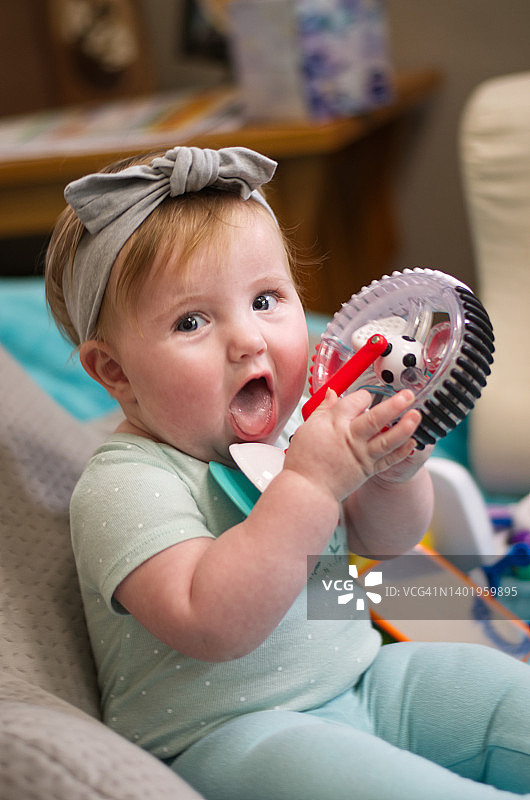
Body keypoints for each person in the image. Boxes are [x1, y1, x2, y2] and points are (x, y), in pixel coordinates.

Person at [45, 145, 530, 800]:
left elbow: (377, 546)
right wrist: (309, 486)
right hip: (232, 737)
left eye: (267, 299)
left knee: (500, 694)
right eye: (192, 321)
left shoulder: (297, 431)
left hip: (363, 682)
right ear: (115, 373)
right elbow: (212, 622)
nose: (248, 340)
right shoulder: (125, 482)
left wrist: (393, 473)